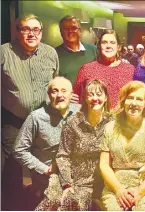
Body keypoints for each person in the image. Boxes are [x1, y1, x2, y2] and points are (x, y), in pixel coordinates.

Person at [1, 13, 59, 210]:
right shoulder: (4, 53)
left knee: (43, 163)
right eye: (26, 29)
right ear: (18, 32)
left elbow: (55, 84)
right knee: (15, 165)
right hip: (14, 120)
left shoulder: (50, 53)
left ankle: (40, 204)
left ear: (41, 32)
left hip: (44, 120)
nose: (31, 34)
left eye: (36, 30)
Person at [35, 79, 112, 211]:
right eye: (90, 94)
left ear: (105, 98)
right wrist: (67, 185)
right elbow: (62, 155)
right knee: (51, 203)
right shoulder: (73, 122)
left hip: (92, 183)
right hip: (67, 178)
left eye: (99, 94)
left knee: (72, 203)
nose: (95, 98)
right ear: (85, 98)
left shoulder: (112, 123)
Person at [100, 81, 145, 210]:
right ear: (123, 101)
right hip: (116, 186)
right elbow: (104, 164)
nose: (134, 103)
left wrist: (139, 192)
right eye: (130, 98)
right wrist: (118, 189)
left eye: (139, 99)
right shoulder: (109, 128)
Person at [13, 77, 79, 207]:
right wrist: (43, 169)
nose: (59, 95)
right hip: (47, 178)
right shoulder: (36, 117)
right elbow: (19, 150)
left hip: (76, 176)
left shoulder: (80, 113)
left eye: (64, 91)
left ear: (71, 95)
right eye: (55, 91)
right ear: (49, 95)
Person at [74, 29, 135, 108]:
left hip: (121, 119)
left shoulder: (130, 70)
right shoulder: (87, 69)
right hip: (94, 118)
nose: (108, 46)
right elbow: (76, 99)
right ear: (99, 46)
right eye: (104, 42)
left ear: (118, 47)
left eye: (112, 43)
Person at [56, 15, 97, 85]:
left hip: (92, 95)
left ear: (80, 31)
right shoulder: (54, 54)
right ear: (61, 32)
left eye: (74, 28)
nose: (70, 31)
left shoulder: (93, 50)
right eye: (66, 29)